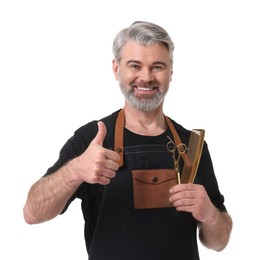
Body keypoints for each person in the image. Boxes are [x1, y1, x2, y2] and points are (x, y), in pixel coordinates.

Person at [23, 21, 232, 260]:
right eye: (135, 65)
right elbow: (32, 213)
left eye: (157, 67)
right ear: (116, 69)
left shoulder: (192, 146)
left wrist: (210, 215)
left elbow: (220, 242)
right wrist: (76, 170)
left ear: (170, 72)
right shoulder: (92, 139)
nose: (146, 77)